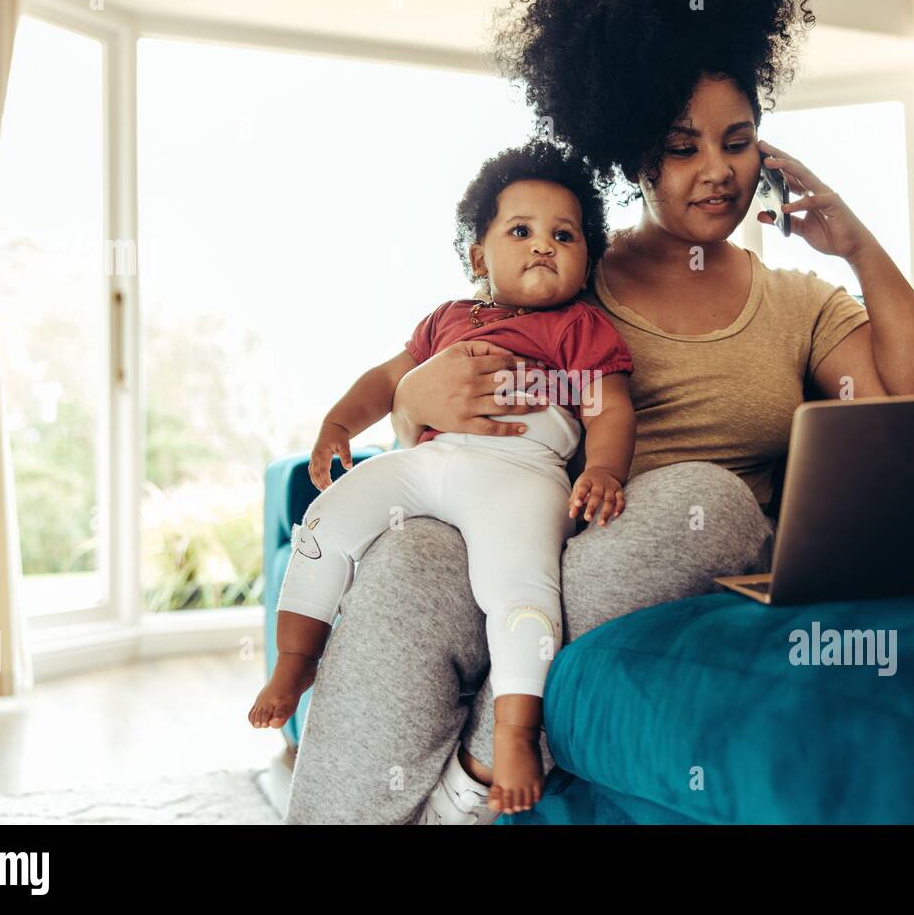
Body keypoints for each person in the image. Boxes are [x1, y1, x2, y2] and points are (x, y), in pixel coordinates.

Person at [284, 0, 914, 825]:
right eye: (682, 148)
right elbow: (430, 387)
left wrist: (859, 245)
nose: (716, 169)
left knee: (710, 503)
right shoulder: (563, 273)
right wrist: (415, 397)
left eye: (738, 138)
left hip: (651, 552)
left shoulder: (799, 303)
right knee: (408, 557)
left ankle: (473, 774)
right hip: (516, 535)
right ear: (632, 155)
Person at [251, 141, 636, 816]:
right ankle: (295, 659)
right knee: (326, 518)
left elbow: (608, 403)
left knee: (522, 591)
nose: (543, 245)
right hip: (427, 464)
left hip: (520, 475)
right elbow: (386, 381)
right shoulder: (448, 320)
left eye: (563, 235)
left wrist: (603, 467)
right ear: (478, 257)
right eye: (520, 230)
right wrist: (341, 422)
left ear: (586, 263)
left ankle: (515, 733)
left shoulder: (580, 328)